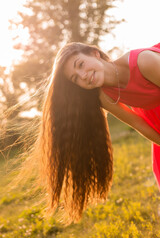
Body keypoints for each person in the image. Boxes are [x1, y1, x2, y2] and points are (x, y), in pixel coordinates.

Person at [37, 42, 160, 221]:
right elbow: (138, 123)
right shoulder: (103, 94)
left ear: (95, 54)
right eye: (75, 78)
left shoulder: (144, 61)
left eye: (80, 65)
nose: (83, 76)